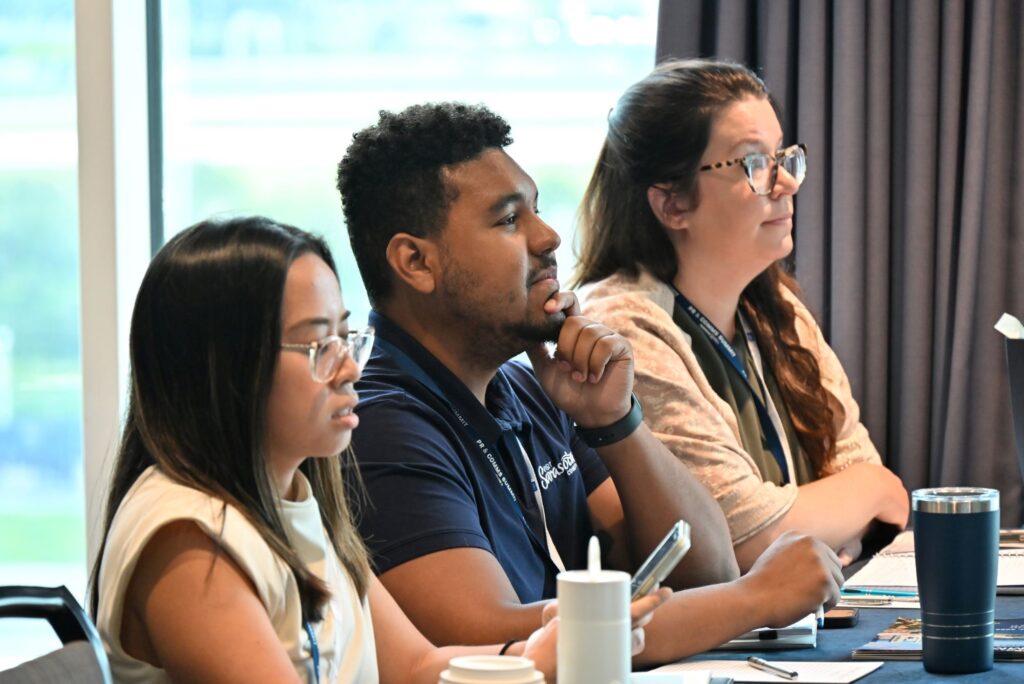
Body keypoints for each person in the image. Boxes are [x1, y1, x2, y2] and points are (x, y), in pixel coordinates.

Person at [336, 101, 843, 666]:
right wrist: (755, 599)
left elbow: (705, 569)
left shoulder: (530, 389)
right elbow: (489, 637)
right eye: (509, 220)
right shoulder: (378, 424)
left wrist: (617, 422)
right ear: (415, 262)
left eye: (536, 211)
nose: (548, 237)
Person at [88, 216, 667, 683]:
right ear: (224, 370)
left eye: (346, 337)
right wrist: (538, 658)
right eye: (318, 345)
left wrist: (544, 642)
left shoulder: (293, 495)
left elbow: (415, 667)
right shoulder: (190, 538)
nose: (348, 368)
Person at [575, 58, 909, 573]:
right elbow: (744, 539)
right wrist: (868, 492)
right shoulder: (624, 328)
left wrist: (861, 495)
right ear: (672, 204)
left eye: (783, 157)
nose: (786, 184)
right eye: (754, 164)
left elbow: (871, 487)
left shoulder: (772, 308)